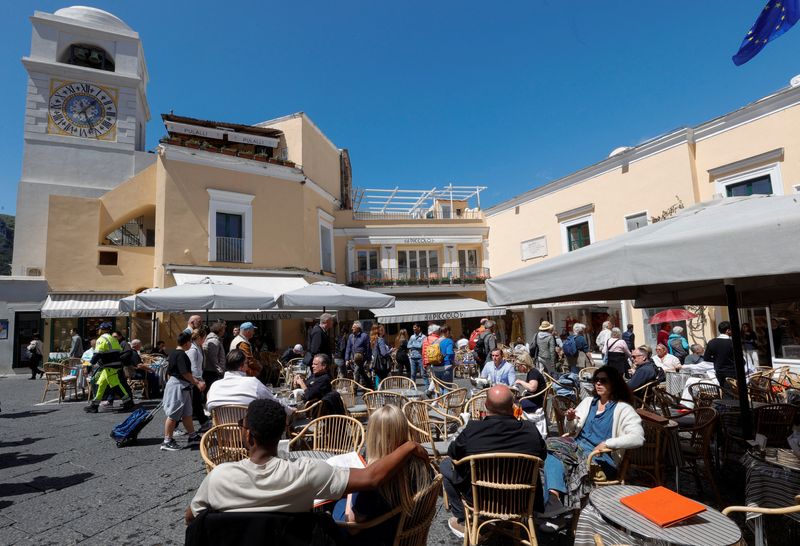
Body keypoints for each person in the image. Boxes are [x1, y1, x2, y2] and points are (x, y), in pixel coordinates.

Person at [186, 398, 428, 521]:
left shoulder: (218, 477)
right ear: (283, 432)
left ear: (248, 434)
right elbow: (371, 478)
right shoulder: (307, 472)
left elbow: (192, 518)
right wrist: (410, 444)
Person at [441, 385, 547, 539]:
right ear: (513, 407)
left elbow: (453, 453)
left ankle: (464, 520)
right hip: (520, 499)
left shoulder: (473, 429)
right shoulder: (530, 430)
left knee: (445, 465)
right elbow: (542, 455)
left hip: (482, 499)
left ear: (486, 406)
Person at [543, 366, 643, 510]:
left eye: (603, 381)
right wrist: (570, 419)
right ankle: (554, 498)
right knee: (548, 445)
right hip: (575, 447)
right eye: (596, 380)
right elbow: (570, 429)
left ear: (614, 383)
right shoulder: (589, 402)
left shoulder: (623, 409)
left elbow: (638, 438)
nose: (598, 384)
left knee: (553, 450)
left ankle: (554, 504)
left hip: (600, 457)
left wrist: (607, 443)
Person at [333, 405, 432, 544]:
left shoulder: (373, 482)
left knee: (331, 507)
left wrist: (352, 489)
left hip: (376, 537)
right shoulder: (419, 465)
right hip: (403, 531)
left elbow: (353, 527)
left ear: (373, 435)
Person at [206, 349, 293, 415]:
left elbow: (209, 408)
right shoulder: (253, 383)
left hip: (223, 435)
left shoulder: (214, 386)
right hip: (250, 435)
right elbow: (273, 401)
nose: (248, 367)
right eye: (246, 363)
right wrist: (290, 410)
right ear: (241, 367)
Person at [161, 331, 205, 451]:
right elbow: (184, 372)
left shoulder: (174, 353)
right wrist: (197, 383)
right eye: (190, 341)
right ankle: (167, 441)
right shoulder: (181, 354)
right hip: (178, 385)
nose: (191, 344)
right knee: (173, 414)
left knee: (187, 413)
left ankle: (192, 436)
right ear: (187, 343)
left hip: (180, 385)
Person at [84, 322, 134, 413]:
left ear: (102, 330)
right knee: (102, 384)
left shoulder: (101, 339)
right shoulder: (112, 338)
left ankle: (128, 402)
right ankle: (94, 405)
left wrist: (89, 365)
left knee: (116, 385)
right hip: (114, 365)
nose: (98, 330)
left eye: (99, 329)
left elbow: (97, 354)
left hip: (109, 366)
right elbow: (118, 351)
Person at [187, 326, 211, 432]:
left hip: (196, 379)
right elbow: (193, 367)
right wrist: (199, 380)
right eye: (204, 337)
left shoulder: (196, 347)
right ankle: (204, 422)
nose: (205, 340)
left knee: (195, 402)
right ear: (200, 337)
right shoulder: (193, 349)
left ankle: (204, 422)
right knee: (195, 402)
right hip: (194, 380)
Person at [704, 321, 737, 391]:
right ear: (728, 330)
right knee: (730, 392)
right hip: (732, 372)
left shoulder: (711, 342)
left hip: (719, 371)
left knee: (723, 389)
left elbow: (706, 358)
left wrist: (717, 360)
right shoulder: (732, 343)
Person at [345, 321, 371, 386]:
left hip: (361, 358)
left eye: (353, 327)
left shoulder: (364, 336)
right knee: (362, 372)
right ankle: (370, 384)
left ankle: (354, 389)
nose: (352, 328)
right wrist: (347, 359)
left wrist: (368, 359)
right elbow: (348, 348)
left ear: (358, 328)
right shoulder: (351, 336)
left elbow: (368, 348)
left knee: (356, 372)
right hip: (353, 358)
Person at [202, 321, 226, 389]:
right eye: (223, 329)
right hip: (213, 371)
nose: (224, 331)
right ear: (219, 330)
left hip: (212, 370)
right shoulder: (214, 341)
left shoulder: (215, 339)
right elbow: (213, 357)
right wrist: (220, 370)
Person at [370, 324, 392, 389]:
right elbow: (384, 353)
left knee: (378, 380)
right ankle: (382, 395)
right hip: (382, 364)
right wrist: (390, 351)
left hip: (375, 364)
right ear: (380, 331)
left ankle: (377, 394)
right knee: (383, 382)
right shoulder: (380, 340)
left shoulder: (373, 340)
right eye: (383, 329)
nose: (384, 331)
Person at [421, 324, 442, 393]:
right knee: (437, 378)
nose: (440, 331)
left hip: (428, 361)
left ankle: (431, 391)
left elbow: (423, 352)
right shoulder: (437, 339)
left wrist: (424, 363)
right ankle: (430, 391)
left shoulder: (425, 339)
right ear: (435, 331)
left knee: (434, 377)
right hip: (435, 360)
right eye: (438, 330)